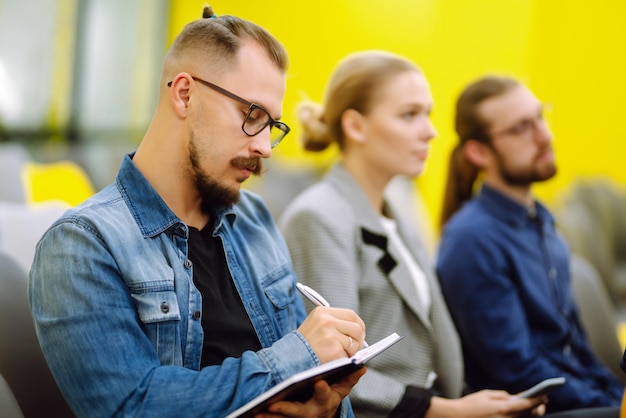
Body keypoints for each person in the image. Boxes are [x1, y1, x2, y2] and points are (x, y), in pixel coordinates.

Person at [28, 7, 367, 418]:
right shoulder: (82, 244)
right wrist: (298, 356)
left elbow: (309, 372)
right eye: (252, 115)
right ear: (184, 93)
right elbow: (131, 407)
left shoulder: (254, 216)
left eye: (272, 126)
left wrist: (325, 403)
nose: (263, 146)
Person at [279, 51, 546, 417]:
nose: (430, 131)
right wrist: (449, 411)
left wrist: (484, 404)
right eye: (409, 115)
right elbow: (334, 365)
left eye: (428, 113)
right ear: (356, 126)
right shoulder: (319, 216)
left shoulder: (396, 211)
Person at [435, 75, 625, 414]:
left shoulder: (542, 222)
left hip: (580, 401)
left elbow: (576, 348)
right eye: (522, 127)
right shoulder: (472, 239)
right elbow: (520, 373)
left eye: (540, 117)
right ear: (479, 152)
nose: (545, 135)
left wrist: (617, 395)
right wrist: (610, 405)